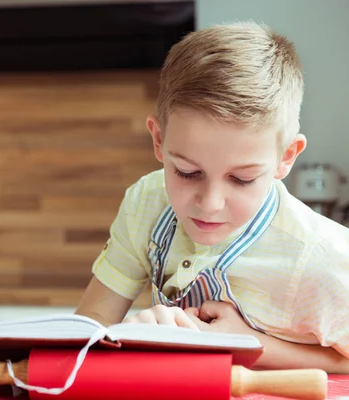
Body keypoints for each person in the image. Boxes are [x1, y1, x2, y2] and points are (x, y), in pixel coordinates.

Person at [75, 21, 349, 373]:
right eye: (187, 172)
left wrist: (252, 346)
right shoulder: (147, 202)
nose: (210, 203)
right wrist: (121, 339)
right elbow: (90, 323)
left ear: (286, 157)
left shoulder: (321, 259)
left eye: (242, 178)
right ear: (158, 140)